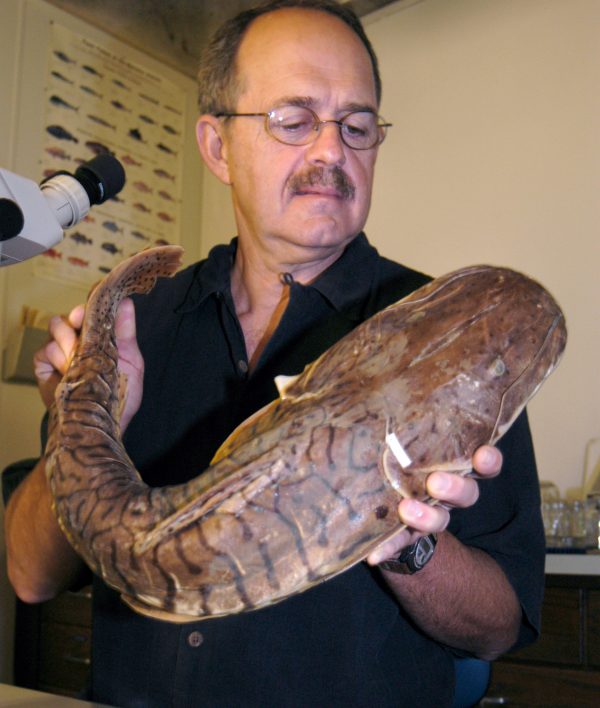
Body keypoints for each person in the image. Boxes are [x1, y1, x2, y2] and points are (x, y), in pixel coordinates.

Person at [5, 1, 545, 706]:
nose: (331, 152)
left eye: (357, 125)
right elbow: (29, 575)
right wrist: (88, 425)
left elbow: (500, 625)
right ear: (217, 145)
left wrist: (407, 543)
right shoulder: (140, 328)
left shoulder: (456, 345)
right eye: (294, 120)